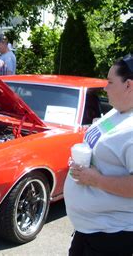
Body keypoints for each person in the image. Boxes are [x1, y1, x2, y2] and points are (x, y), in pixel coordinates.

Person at [64, 54, 133, 255]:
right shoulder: (118, 111)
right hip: (90, 228)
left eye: (110, 82)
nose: (105, 88)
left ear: (128, 85)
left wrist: (96, 180)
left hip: (113, 234)